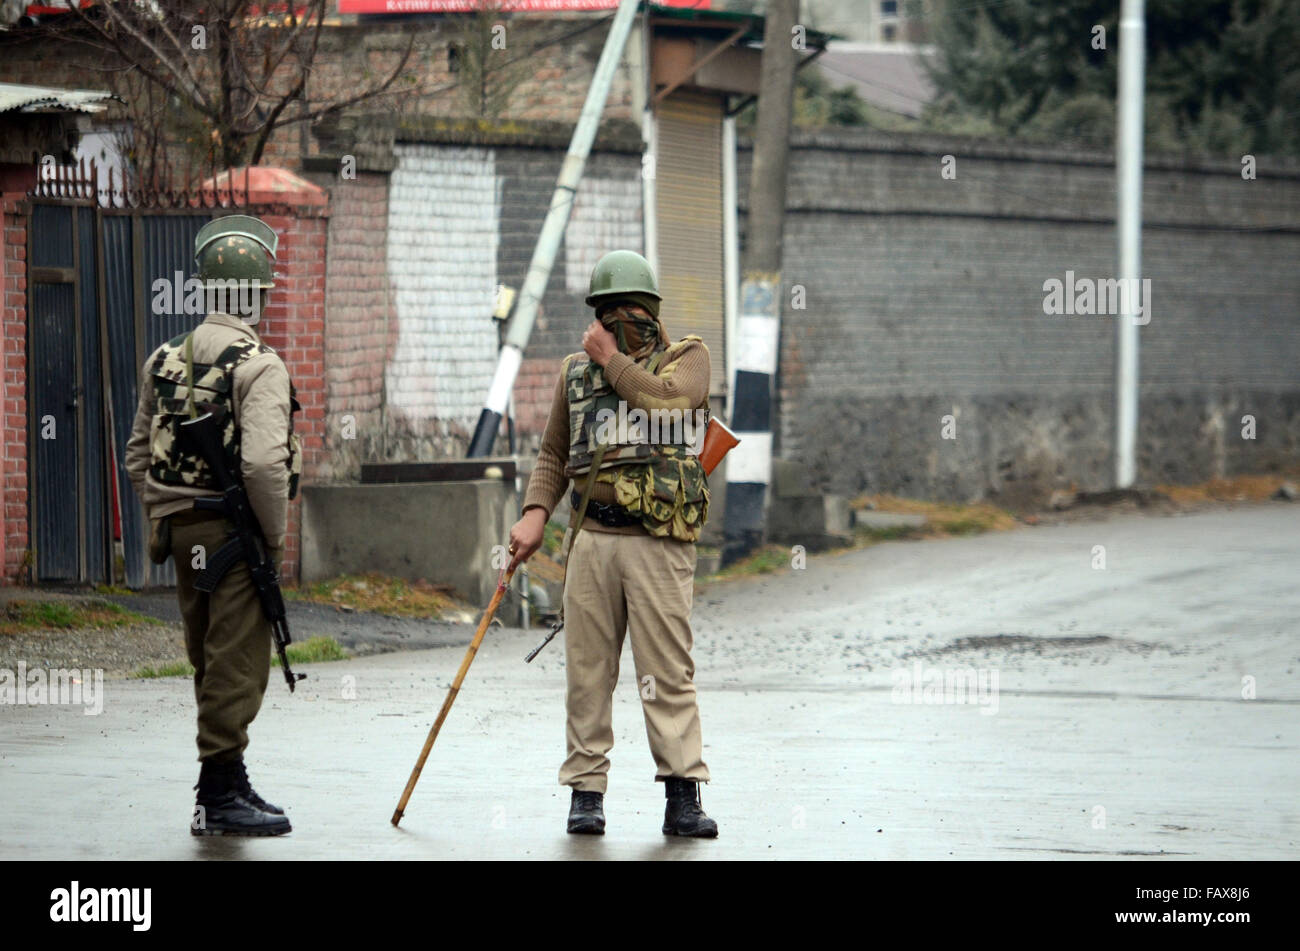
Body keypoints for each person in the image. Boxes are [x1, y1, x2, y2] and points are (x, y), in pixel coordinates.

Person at [509, 249, 718, 838]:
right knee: (587, 672)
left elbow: (668, 402)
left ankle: (683, 793)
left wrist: (614, 361)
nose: (615, 320)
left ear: (651, 311)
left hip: (658, 542)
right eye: (605, 311)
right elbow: (553, 452)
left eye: (627, 309)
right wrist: (533, 513)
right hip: (591, 539)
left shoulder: (688, 360)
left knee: (666, 670)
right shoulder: (576, 372)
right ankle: (585, 793)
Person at [125, 215, 300, 836]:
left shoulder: (164, 357)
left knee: (207, 654)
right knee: (238, 660)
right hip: (231, 536)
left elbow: (138, 454)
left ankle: (223, 783)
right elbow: (261, 463)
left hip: (180, 533)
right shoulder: (260, 365)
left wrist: (161, 517)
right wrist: (272, 539)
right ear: (257, 293)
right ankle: (220, 793)